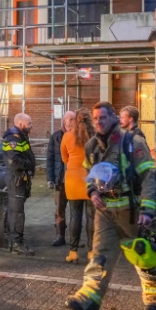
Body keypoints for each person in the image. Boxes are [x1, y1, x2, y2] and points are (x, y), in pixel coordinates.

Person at [65, 101, 156, 310]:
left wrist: (147, 210)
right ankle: (89, 300)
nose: (99, 122)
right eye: (96, 118)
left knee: (142, 257)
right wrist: (92, 193)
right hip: (106, 212)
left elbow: (149, 176)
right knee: (100, 256)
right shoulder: (92, 146)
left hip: (131, 212)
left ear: (114, 118)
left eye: (103, 117)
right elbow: (90, 176)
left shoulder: (132, 142)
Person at [61, 108, 95, 263]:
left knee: (75, 216)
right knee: (91, 217)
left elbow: (64, 157)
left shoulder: (67, 136)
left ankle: (73, 252)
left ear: (75, 120)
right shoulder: (95, 137)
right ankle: (91, 252)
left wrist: (73, 165)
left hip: (73, 179)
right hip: (91, 178)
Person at [3, 113, 37, 256]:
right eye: (29, 123)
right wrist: (29, 165)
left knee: (15, 210)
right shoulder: (14, 138)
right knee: (17, 213)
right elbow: (14, 161)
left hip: (19, 179)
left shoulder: (20, 136)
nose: (31, 125)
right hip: (16, 179)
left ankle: (13, 241)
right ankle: (16, 244)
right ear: (21, 124)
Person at [47, 112, 73, 246]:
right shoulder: (55, 137)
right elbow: (50, 158)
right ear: (64, 121)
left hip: (74, 181)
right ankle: (60, 235)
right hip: (60, 180)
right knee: (59, 210)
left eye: (75, 119)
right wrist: (50, 178)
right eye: (71, 119)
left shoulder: (78, 137)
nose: (73, 122)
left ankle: (75, 238)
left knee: (75, 211)